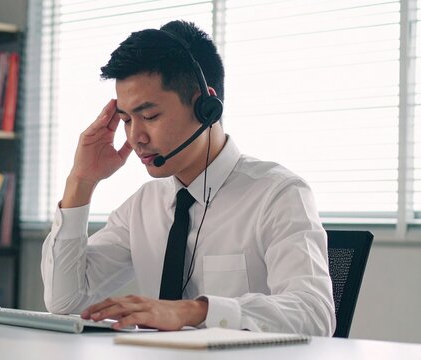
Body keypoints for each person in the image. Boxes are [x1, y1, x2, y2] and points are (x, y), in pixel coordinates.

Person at [40, 20, 335, 336]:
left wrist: (194, 311)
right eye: (126, 120)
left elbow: (315, 315)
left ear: (205, 106)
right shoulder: (143, 206)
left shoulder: (278, 194)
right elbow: (64, 301)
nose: (136, 137)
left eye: (150, 116)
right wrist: (81, 182)